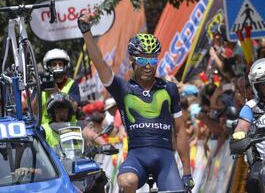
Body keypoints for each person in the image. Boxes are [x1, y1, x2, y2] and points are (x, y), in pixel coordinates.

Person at [77, 12, 193, 192]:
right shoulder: (122, 88)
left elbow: (180, 131)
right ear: (132, 60)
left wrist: (187, 173)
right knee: (126, 181)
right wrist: (86, 32)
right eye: (143, 59)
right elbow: (99, 62)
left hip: (166, 159)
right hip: (137, 157)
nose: (149, 65)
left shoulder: (169, 88)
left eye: (153, 59)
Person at [232, 58, 265, 192]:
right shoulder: (250, 107)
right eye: (263, 84)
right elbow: (242, 126)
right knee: (253, 181)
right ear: (256, 87)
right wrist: (239, 134)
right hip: (264, 157)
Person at [37, 48, 81, 125]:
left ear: (65, 65)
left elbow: (74, 108)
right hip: (46, 131)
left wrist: (56, 92)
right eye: (54, 64)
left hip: (69, 127)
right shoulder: (40, 83)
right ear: (48, 66)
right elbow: (34, 112)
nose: (58, 67)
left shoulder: (72, 84)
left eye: (60, 64)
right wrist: (39, 90)